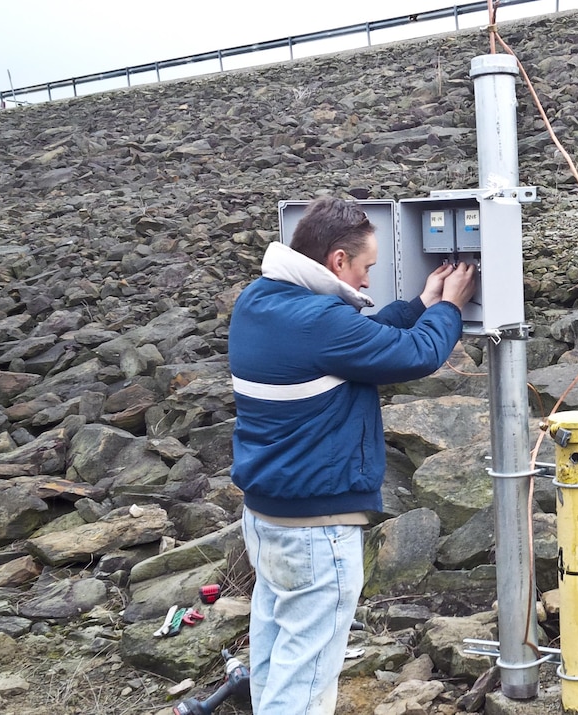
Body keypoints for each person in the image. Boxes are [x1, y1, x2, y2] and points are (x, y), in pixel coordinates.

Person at [228, 195, 476, 714]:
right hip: (316, 528)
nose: (366, 281)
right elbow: (417, 354)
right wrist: (451, 306)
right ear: (338, 260)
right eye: (366, 268)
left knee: (277, 657)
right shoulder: (321, 321)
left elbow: (358, 341)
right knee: (306, 681)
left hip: (266, 517)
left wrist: (419, 305)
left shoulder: (260, 300)